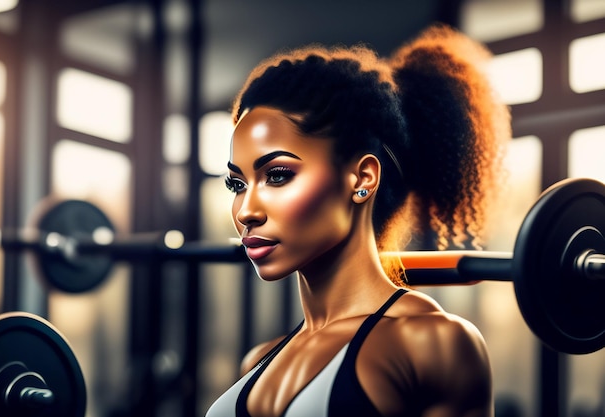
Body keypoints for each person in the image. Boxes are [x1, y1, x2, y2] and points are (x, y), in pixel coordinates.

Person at [206, 23, 510, 417]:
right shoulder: (258, 362)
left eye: (277, 175)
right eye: (237, 183)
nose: (246, 211)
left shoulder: (431, 344)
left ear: (362, 178)